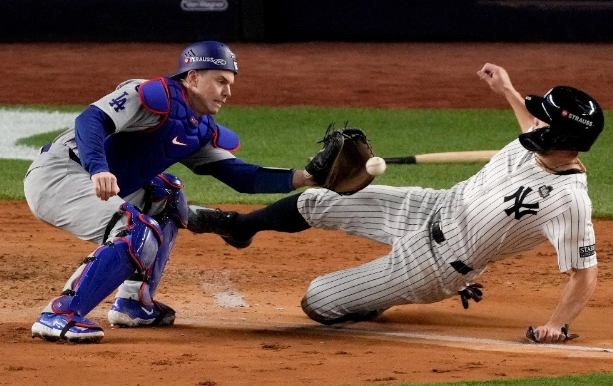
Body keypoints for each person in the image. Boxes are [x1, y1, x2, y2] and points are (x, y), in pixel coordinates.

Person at [189, 63, 604, 344]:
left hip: (437, 265)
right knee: (320, 198)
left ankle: (378, 296)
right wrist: (507, 89)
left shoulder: (568, 202)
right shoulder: (539, 141)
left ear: (560, 138)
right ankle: (241, 228)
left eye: (545, 120)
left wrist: (556, 325)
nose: (535, 122)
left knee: (319, 300)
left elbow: (583, 275)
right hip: (431, 206)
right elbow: (528, 121)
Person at [24, 41, 315, 343]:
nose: (228, 92)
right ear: (192, 77)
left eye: (230, 83)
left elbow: (240, 176)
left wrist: (306, 177)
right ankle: (59, 315)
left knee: (167, 197)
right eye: (220, 81)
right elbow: (90, 119)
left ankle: (134, 303)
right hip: (59, 175)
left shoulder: (198, 129)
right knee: (137, 230)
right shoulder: (149, 95)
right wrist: (98, 167)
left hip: (95, 182)